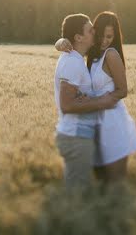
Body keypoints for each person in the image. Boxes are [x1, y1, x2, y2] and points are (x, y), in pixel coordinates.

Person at [55, 11, 136, 182]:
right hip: (93, 124)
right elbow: (72, 49)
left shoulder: (111, 54)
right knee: (99, 180)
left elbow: (123, 91)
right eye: (100, 35)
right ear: (94, 32)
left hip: (112, 121)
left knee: (115, 181)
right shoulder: (92, 56)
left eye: (109, 36)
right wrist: (60, 42)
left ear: (115, 36)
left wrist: (101, 101)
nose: (104, 40)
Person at [54, 13, 118, 190]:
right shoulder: (73, 63)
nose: (95, 33)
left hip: (78, 135)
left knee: (78, 192)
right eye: (90, 30)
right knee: (76, 195)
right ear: (78, 37)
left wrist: (90, 100)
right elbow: (67, 105)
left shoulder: (75, 60)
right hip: (76, 137)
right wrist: (101, 102)